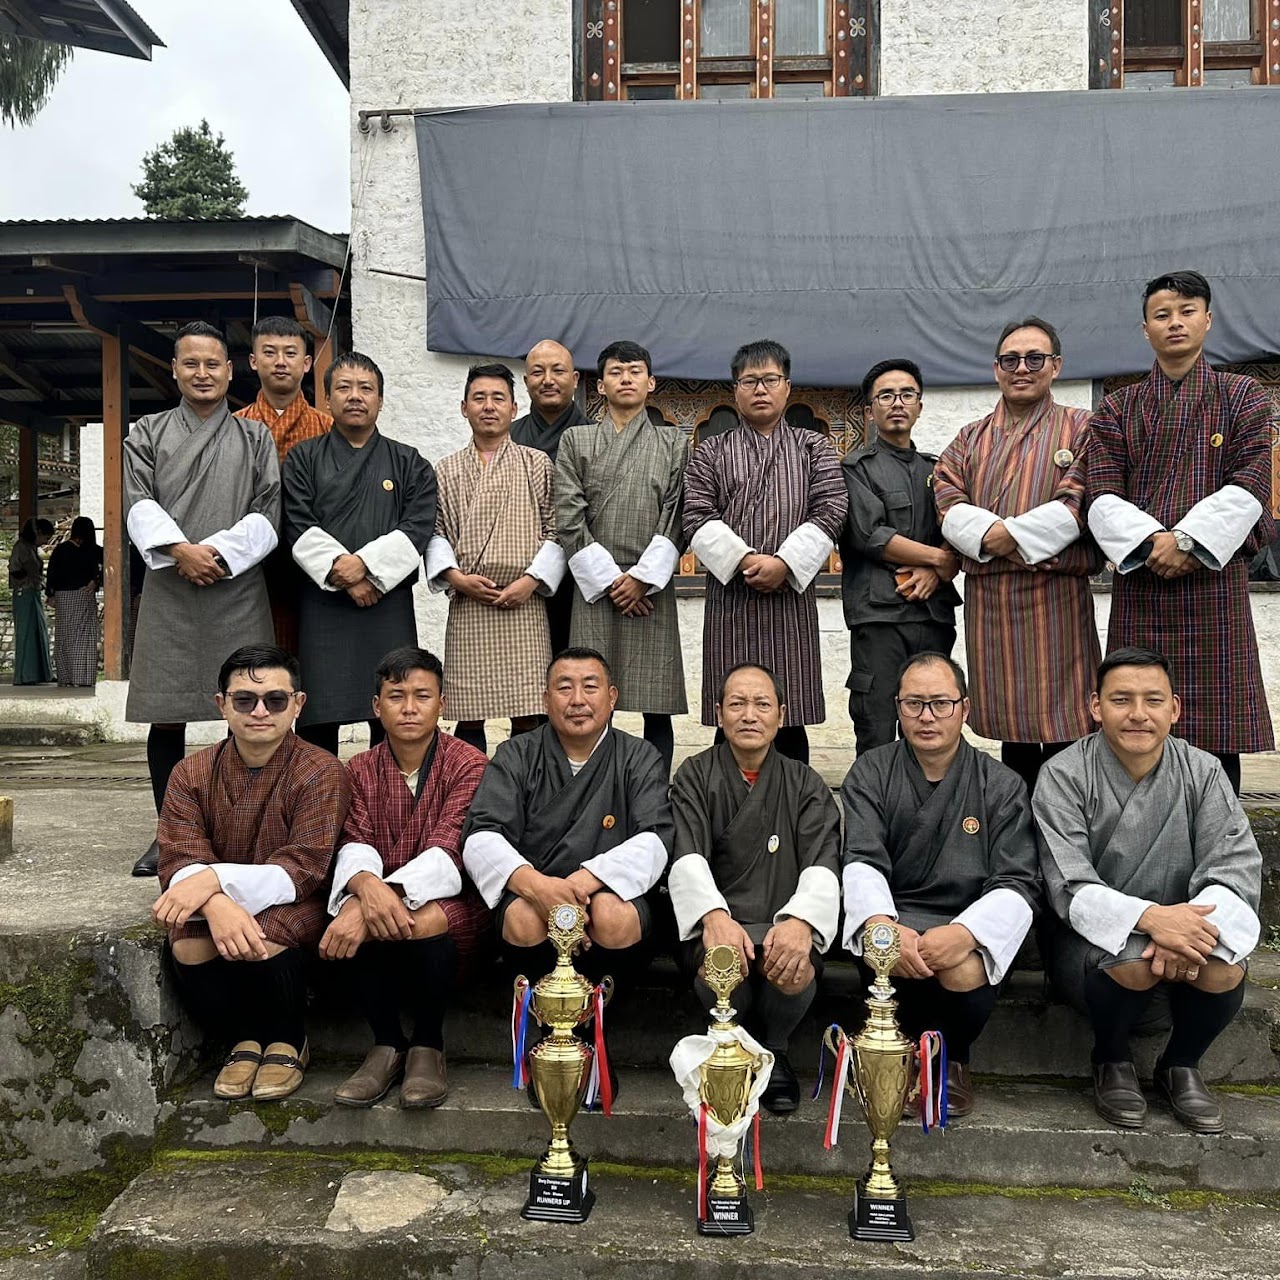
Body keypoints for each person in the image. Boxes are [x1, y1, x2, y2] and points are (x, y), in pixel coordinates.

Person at [1034, 647, 1261, 1134]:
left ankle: (1181, 1064)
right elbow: (1068, 884)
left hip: (1186, 939)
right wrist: (1151, 921)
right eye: (1121, 699)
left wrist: (1184, 930)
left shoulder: (1203, 772)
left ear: (1174, 709)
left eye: (1152, 700)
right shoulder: (1063, 774)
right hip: (1094, 950)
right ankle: (1111, 1059)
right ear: (1096, 707)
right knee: (1135, 959)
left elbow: (1235, 864)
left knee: (1224, 968)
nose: (1138, 714)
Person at [1086, 271, 1275, 796]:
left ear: (1208, 320)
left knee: (1215, 735)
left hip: (1214, 588)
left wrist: (1187, 543)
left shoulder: (1243, 398)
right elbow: (1100, 495)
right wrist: (1154, 546)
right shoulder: (1118, 409)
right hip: (1142, 585)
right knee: (1135, 723)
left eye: (1187, 311)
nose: (1175, 322)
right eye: (1162, 314)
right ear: (1145, 328)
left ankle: (1219, 852)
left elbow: (1252, 485)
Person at [841, 652, 1040, 1117]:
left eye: (940, 703)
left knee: (965, 970)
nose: (926, 716)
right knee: (881, 949)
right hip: (898, 918)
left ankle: (953, 1061)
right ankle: (903, 1054)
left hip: (966, 923)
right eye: (913, 704)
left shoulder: (1001, 784)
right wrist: (882, 924)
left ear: (964, 710)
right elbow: (862, 859)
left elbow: (1016, 880)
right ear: (897, 707)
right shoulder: (871, 772)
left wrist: (966, 934)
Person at [151, 645, 350, 1103]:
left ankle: (287, 1037)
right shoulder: (190, 772)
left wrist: (214, 882)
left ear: (298, 704)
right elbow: (179, 858)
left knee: (264, 935)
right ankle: (243, 1039)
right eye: (245, 700)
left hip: (297, 901)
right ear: (221, 704)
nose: (260, 711)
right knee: (187, 938)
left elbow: (304, 868)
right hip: (216, 905)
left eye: (275, 700)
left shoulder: (321, 771)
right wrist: (217, 901)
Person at [125, 321, 280, 877]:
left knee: (246, 711)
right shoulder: (147, 431)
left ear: (230, 370)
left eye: (212, 364)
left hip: (235, 587)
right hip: (170, 585)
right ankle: (170, 834)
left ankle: (242, 830)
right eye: (190, 363)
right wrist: (179, 551)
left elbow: (268, 511)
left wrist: (212, 553)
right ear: (174, 370)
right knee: (167, 716)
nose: (202, 373)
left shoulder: (255, 436)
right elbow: (137, 502)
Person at [933, 318, 1100, 795]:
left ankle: (1069, 840)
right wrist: (1002, 536)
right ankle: (1016, 846)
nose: (1021, 368)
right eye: (1011, 360)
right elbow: (947, 502)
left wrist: (998, 537)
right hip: (995, 609)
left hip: (1059, 604)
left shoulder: (1082, 428)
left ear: (1056, 366)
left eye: (1034, 359)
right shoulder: (970, 437)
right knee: (1015, 735)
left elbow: (1078, 502)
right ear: (996, 368)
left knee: (1069, 730)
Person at [320, 646, 489, 1109]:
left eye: (422, 696)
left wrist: (379, 896)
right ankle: (387, 1042)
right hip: (377, 907)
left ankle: (428, 1044)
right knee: (349, 911)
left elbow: (450, 849)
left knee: (425, 917)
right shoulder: (356, 769)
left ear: (443, 703)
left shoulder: (469, 764)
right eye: (396, 696)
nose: (409, 708)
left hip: (450, 907)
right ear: (377, 707)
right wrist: (365, 891)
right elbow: (354, 842)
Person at [668, 662, 840, 1113]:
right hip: (720, 929)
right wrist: (713, 917)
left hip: (782, 924)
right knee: (719, 964)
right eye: (737, 704)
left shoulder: (805, 783)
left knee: (796, 968)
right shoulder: (694, 776)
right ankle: (731, 1049)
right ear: (719, 712)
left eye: (762, 704)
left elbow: (824, 861)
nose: (749, 715)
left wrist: (801, 922)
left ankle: (775, 1048)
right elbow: (686, 855)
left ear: (781, 715)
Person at [683, 340, 847, 766]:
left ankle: (793, 805)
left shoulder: (814, 447)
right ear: (735, 389)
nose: (760, 389)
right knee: (733, 709)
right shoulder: (711, 450)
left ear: (787, 387)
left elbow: (832, 506)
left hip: (790, 598)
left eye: (770, 380)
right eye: (750, 381)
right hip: (731, 598)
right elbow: (696, 513)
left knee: (789, 714)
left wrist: (785, 564)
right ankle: (724, 807)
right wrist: (744, 560)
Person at [462, 647, 672, 978]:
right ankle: (546, 1017)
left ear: (612, 696)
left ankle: (598, 1019)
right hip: (532, 891)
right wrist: (537, 887)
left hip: (608, 895)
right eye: (564, 688)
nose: (577, 700)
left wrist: (582, 884)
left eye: (590, 686)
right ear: (546, 699)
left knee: (612, 914)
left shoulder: (638, 757)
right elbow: (481, 836)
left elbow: (656, 839)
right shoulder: (517, 754)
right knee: (524, 918)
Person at [283, 352, 437, 756]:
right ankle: (321, 806)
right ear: (328, 399)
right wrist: (344, 573)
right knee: (319, 716)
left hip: (386, 604)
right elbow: (297, 522)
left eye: (366, 388)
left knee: (390, 711)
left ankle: (388, 807)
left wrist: (366, 568)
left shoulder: (409, 463)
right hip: (323, 603)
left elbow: (418, 526)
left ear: (381, 400)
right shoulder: (303, 458)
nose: (356, 396)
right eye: (344, 388)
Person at [554, 342, 688, 777]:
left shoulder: (673, 442)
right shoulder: (577, 439)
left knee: (655, 704)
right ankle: (593, 784)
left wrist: (643, 580)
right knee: (592, 698)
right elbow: (568, 514)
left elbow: (677, 512)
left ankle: (653, 789)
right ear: (600, 385)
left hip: (650, 587)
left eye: (635, 371)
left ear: (651, 383)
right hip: (595, 590)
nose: (625, 378)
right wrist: (614, 582)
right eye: (615, 371)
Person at [427, 363, 564, 755]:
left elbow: (557, 531)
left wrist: (532, 581)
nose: (489, 406)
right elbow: (435, 532)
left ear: (514, 408)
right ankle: (472, 792)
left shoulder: (537, 464)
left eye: (498, 398)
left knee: (528, 710)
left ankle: (526, 793)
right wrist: (456, 578)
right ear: (464, 408)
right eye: (479, 398)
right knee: (468, 711)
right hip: (471, 600)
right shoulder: (446, 469)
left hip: (524, 601)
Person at [841, 359, 961, 753]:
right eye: (886, 396)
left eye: (907, 394)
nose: (897, 403)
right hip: (880, 616)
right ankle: (873, 810)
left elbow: (958, 530)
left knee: (934, 721)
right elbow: (869, 534)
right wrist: (938, 560)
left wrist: (939, 570)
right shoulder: (855, 468)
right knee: (877, 722)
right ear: (869, 410)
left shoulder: (940, 469)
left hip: (933, 613)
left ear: (920, 406)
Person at [236, 315, 333, 654]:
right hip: (249, 566)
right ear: (252, 361)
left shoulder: (328, 428)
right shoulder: (234, 427)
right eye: (269, 352)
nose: (280, 362)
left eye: (290, 353)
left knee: (309, 654)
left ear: (307, 363)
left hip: (311, 566)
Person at [512, 339, 589, 656]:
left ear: (575, 379)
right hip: (519, 573)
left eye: (558, 370)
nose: (548, 380)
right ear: (526, 381)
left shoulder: (594, 436)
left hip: (581, 577)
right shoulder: (508, 437)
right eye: (538, 372)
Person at [46, 515, 103, 687]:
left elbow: (51, 573)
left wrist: (50, 594)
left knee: (63, 637)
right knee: (83, 638)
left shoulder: (60, 550)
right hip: (82, 596)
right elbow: (109, 564)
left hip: (62, 598)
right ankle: (82, 678)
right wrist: (96, 581)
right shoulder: (92, 550)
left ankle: (65, 677)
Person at [8, 517, 54, 685]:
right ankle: (25, 675)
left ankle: (40, 673)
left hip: (33, 592)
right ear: (38, 533)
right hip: (23, 592)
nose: (46, 542)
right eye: (45, 537)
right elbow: (14, 569)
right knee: (26, 633)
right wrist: (29, 580)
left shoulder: (32, 548)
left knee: (39, 632)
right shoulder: (21, 547)